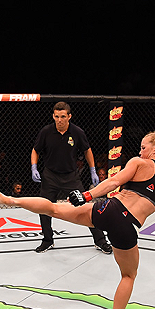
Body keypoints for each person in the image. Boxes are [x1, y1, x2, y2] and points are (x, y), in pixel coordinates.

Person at [0, 124, 155, 309]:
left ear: (154, 150)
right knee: (128, 276)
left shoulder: (139, 163)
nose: (140, 152)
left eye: (143, 148)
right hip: (127, 226)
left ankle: (12, 200)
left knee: (55, 209)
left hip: (108, 209)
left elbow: (113, 182)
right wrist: (154, 199)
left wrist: (87, 195)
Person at [30, 101, 111, 254]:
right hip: (50, 175)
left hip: (71, 176)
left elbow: (87, 150)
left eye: (62, 116)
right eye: (56, 116)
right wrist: (34, 167)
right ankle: (47, 240)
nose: (59, 120)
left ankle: (100, 240)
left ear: (69, 116)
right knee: (44, 208)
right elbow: (36, 150)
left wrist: (93, 169)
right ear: (53, 116)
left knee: (85, 207)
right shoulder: (46, 131)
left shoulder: (77, 132)